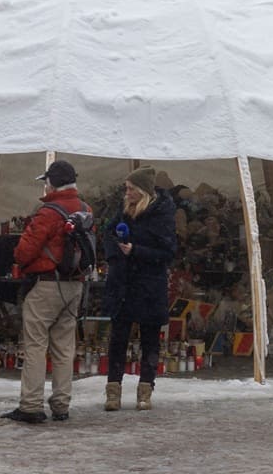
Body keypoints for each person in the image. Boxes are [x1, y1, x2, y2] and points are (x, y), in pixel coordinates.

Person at [2, 161, 91, 423]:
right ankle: (61, 405)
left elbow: (24, 251)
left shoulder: (48, 212)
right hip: (75, 285)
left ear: (51, 182)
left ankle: (31, 405)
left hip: (46, 285)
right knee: (64, 347)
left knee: (35, 345)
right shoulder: (86, 210)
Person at [102, 166, 177, 411]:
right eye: (126, 188)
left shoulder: (162, 214)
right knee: (118, 339)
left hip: (148, 284)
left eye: (131, 189)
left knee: (150, 339)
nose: (127, 193)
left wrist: (136, 251)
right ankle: (113, 390)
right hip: (124, 282)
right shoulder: (124, 211)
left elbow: (167, 252)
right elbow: (108, 233)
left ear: (143, 191)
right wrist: (116, 256)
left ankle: (145, 389)